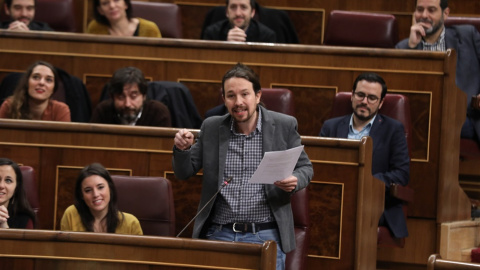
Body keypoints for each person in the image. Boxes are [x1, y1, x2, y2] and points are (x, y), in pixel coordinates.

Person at [172, 63, 313, 270]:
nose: (238, 102)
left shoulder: (283, 125)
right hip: (219, 233)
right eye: (231, 96)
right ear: (224, 99)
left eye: (244, 94)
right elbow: (184, 172)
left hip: (266, 234)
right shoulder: (211, 127)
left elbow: (306, 168)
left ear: (257, 95)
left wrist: (295, 180)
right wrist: (182, 149)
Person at [320, 72, 410, 239]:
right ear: (352, 96)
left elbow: (401, 174)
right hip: (333, 199)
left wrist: (367, 182)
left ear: (381, 103)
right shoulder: (330, 127)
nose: (364, 102)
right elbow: (317, 166)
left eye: (372, 98)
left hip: (373, 203)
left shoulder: (393, 130)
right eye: (360, 95)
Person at [396, 0, 480, 143]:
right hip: (421, 117)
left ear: (445, 14)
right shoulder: (403, 48)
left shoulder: (467, 36)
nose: (424, 15)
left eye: (431, 10)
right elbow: (398, 88)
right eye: (420, 9)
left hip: (465, 116)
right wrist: (411, 49)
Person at [60, 163, 143, 235]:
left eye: (100, 187)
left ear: (110, 189)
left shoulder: (131, 224)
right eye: (88, 190)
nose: (95, 194)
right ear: (82, 195)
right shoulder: (71, 215)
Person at [90, 66, 171, 127]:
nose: (127, 104)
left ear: (144, 96)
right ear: (112, 97)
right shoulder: (102, 111)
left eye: (133, 96)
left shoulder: (158, 113)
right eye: (121, 97)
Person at [0, 61, 71, 121]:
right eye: (36, 77)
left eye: (48, 80)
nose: (41, 83)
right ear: (27, 82)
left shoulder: (60, 110)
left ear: (53, 88)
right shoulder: (9, 106)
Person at [202, 0, 276, 43]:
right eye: (233, 7)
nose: (238, 13)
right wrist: (226, 45)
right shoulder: (212, 33)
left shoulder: (267, 36)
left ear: (252, 12)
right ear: (227, 12)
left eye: (243, 7)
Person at [87, 0, 161, 38]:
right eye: (105, 3)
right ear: (100, 10)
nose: (112, 6)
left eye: (116, 0)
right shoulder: (95, 29)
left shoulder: (150, 29)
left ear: (125, 4)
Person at [0, 158, 36, 229]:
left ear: (16, 187)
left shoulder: (24, 219)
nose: (1, 185)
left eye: (8, 180)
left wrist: (3, 226)